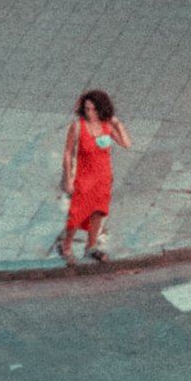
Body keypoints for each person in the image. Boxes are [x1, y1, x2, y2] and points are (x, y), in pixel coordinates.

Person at [55, 89, 132, 265]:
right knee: (77, 213)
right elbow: (68, 152)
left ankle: (91, 246)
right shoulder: (78, 126)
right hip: (84, 178)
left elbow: (126, 143)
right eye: (87, 109)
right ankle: (66, 246)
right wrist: (68, 178)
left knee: (98, 212)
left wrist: (117, 123)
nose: (90, 112)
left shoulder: (107, 126)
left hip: (103, 178)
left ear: (101, 109)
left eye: (93, 109)